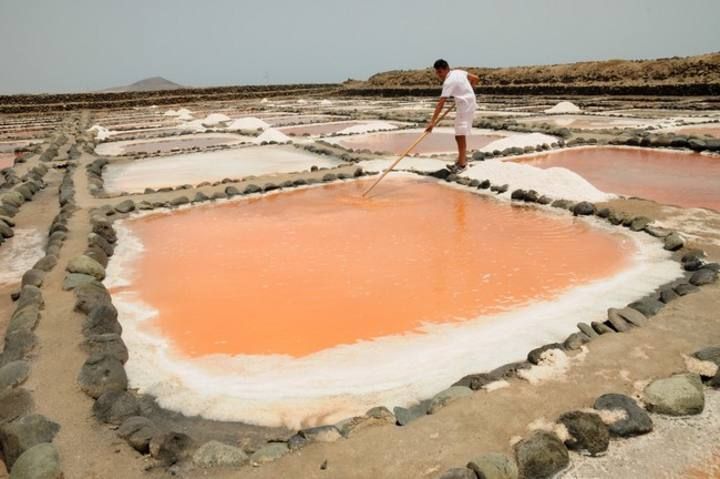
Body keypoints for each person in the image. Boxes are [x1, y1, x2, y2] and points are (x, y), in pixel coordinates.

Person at [426, 59, 479, 173]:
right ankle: (461, 161)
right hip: (466, 103)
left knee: (460, 135)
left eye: (439, 72)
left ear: (446, 69)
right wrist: (469, 91)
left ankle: (462, 165)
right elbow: (475, 78)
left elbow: (441, 103)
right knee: (458, 135)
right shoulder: (458, 72)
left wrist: (432, 122)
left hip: (465, 106)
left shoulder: (448, 82)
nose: (438, 75)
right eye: (437, 72)